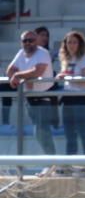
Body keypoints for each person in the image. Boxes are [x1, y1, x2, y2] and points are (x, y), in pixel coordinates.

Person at [7, 29, 57, 165]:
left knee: (42, 131)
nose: (28, 43)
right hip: (30, 98)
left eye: (31, 40)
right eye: (25, 41)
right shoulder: (21, 53)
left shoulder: (43, 53)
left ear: (37, 41)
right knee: (39, 131)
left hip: (44, 97)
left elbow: (38, 71)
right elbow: (10, 69)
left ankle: (52, 163)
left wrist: (19, 76)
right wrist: (18, 76)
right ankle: (52, 163)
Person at [56, 30, 85, 159]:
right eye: (69, 42)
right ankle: (70, 161)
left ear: (80, 44)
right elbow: (66, 76)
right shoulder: (65, 59)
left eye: (74, 42)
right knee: (69, 132)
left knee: (84, 131)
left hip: (83, 98)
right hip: (68, 97)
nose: (71, 45)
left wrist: (68, 77)